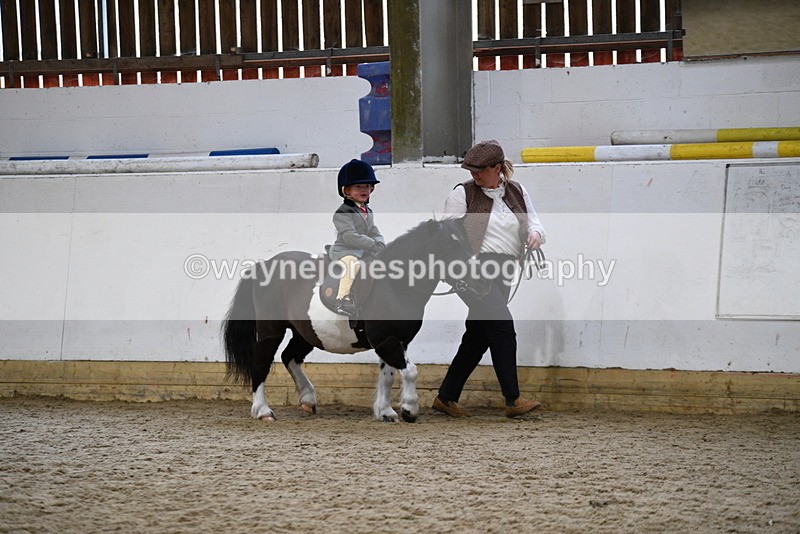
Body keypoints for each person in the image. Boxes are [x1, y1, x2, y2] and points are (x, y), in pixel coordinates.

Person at [433, 140, 546, 418]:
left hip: (504, 268)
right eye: (471, 169)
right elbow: (449, 234)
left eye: (480, 169)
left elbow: (534, 222)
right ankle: (512, 399)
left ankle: (446, 397)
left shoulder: (517, 191)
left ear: (497, 168)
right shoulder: (462, 194)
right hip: (474, 270)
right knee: (503, 327)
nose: (474, 174)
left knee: (479, 336)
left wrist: (535, 235)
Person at [329, 159, 386, 316]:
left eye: (367, 186)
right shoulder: (342, 213)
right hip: (346, 251)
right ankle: (343, 299)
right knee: (352, 265)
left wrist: (380, 243)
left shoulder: (367, 211)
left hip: (364, 250)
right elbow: (349, 235)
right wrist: (371, 245)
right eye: (358, 186)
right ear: (346, 191)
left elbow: (374, 230)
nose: (364, 190)